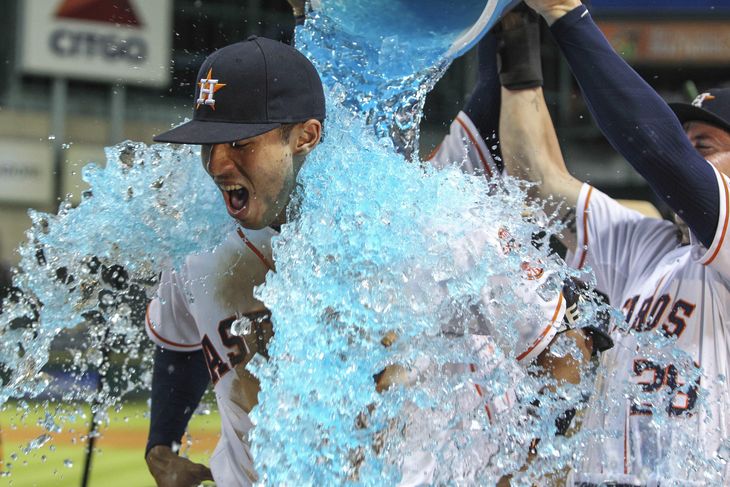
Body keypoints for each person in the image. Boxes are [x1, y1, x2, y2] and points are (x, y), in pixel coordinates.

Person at [142, 7, 597, 487]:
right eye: (206, 144)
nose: (216, 163)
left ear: (306, 137)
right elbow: (178, 339)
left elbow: (564, 349)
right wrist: (161, 443)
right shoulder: (196, 243)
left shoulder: (425, 228)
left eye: (239, 142)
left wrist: (533, 474)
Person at [498, 1, 730, 484]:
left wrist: (565, 14)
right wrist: (515, 35)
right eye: (684, 142)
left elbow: (658, 153)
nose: (688, 156)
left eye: (703, 148)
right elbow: (537, 184)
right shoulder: (653, 247)